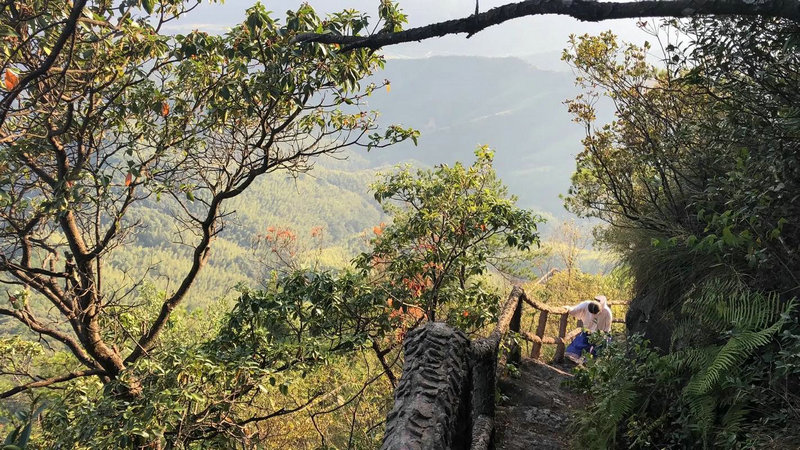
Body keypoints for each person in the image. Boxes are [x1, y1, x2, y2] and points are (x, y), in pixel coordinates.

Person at [563, 294, 612, 363]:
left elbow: (607, 328)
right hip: (588, 331)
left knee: (598, 352)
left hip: (601, 334)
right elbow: (575, 310)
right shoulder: (586, 304)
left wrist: (602, 336)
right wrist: (567, 308)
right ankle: (574, 360)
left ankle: (592, 363)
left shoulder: (607, 313)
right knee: (578, 345)